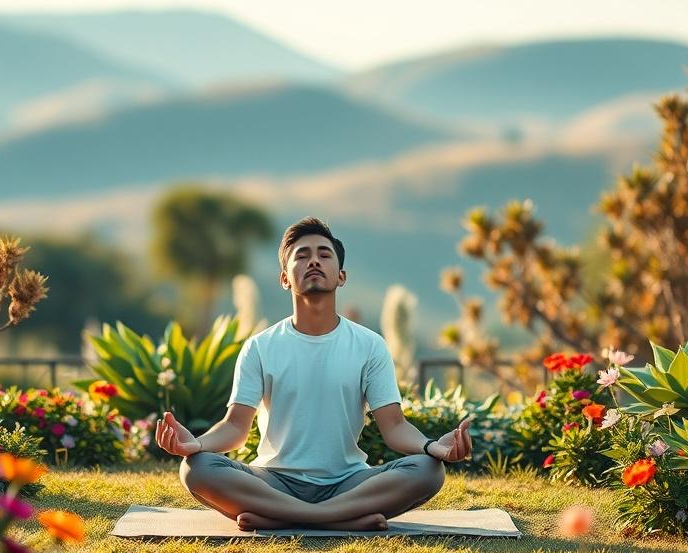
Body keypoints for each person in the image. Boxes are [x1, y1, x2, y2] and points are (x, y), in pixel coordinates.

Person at [155, 217, 472, 531]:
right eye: (302, 256)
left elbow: (395, 427)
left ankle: (283, 517)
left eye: (324, 254)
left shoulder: (370, 345)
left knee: (428, 471)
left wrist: (433, 447)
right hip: (274, 482)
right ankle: (339, 519)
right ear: (285, 279)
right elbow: (235, 427)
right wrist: (196, 445)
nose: (314, 262)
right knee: (197, 469)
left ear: (341, 276)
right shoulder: (260, 347)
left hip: (348, 482)